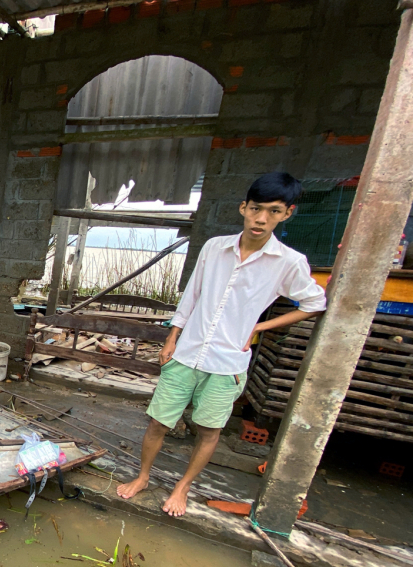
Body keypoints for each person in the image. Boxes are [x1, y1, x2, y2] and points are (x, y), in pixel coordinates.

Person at [116, 172, 327, 517]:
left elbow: (314, 303)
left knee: (209, 430)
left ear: (287, 214)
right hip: (186, 354)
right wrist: (172, 337)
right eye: (256, 208)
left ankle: (182, 488)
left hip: (227, 363)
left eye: (273, 211)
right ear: (243, 208)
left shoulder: (288, 262)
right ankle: (142, 476)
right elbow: (192, 294)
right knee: (158, 422)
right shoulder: (215, 248)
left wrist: (259, 325)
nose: (261, 219)